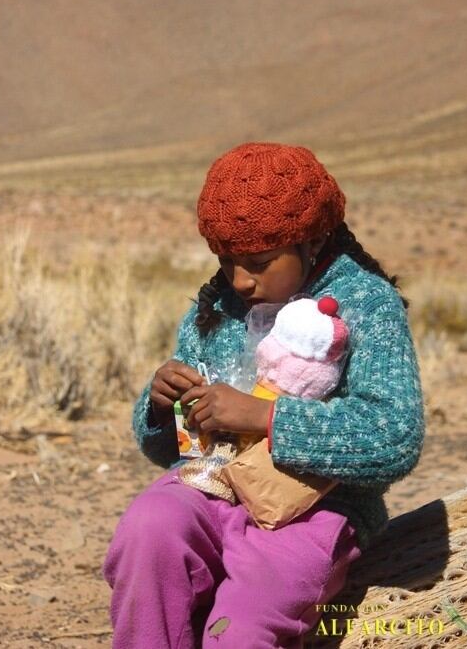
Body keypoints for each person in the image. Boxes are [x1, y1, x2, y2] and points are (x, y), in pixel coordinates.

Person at [102, 142, 425, 649]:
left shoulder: (368, 304)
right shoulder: (217, 307)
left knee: (245, 623)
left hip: (313, 512)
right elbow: (169, 451)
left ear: (312, 239)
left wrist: (266, 417)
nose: (240, 280)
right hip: (208, 487)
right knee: (150, 530)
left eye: (258, 261)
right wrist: (161, 407)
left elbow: (395, 436)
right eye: (226, 260)